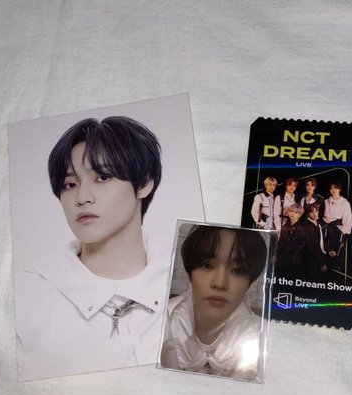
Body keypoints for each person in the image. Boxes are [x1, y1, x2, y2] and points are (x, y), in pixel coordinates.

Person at [16, 116, 166, 381]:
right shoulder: (27, 296)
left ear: (144, 183)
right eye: (70, 184)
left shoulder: (185, 291)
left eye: (103, 177)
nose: (82, 197)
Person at [161, 225, 267, 381]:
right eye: (207, 265)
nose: (220, 283)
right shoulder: (160, 324)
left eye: (237, 270)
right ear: (190, 274)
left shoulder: (263, 339)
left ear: (250, 281)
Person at [323, 181, 352, 269]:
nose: (333, 190)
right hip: (326, 228)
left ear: (339, 189)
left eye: (335, 188)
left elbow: (348, 218)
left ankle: (337, 266)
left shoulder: (345, 203)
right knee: (325, 247)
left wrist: (342, 230)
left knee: (337, 251)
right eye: (331, 188)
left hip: (337, 229)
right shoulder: (325, 202)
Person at [275, 203, 306, 278]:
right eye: (291, 211)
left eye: (296, 212)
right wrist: (277, 255)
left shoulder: (301, 228)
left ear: (299, 215)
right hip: (282, 258)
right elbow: (281, 242)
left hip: (293, 259)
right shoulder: (285, 225)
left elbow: (298, 246)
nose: (293, 214)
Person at [303, 204, 328, 279]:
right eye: (311, 212)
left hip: (320, 254)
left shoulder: (318, 222)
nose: (315, 214)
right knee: (315, 279)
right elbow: (311, 247)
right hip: (311, 258)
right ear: (307, 214)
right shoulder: (307, 226)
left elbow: (321, 240)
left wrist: (329, 249)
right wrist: (321, 263)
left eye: (316, 211)